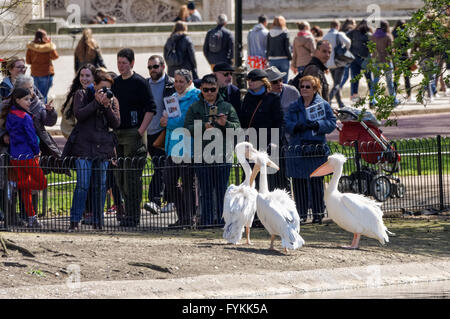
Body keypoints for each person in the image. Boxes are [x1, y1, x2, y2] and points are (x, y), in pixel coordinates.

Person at [62, 70, 120, 231]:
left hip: (103, 149)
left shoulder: (112, 100)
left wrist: (107, 105)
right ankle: (75, 220)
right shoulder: (82, 94)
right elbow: (79, 115)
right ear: (94, 86)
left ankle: (98, 220)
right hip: (84, 148)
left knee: (100, 185)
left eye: (108, 89)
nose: (105, 92)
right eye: (102, 88)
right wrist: (95, 102)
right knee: (83, 184)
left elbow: (116, 123)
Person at [184, 74, 241, 226]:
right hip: (202, 156)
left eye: (212, 89)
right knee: (206, 192)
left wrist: (225, 123)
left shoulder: (227, 107)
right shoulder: (194, 107)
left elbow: (237, 129)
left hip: (223, 155)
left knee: (223, 191)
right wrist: (203, 126)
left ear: (217, 89)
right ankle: (207, 222)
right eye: (205, 89)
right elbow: (186, 128)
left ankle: (224, 222)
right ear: (201, 90)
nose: (209, 92)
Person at [111, 48, 156, 227]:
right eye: (119, 63)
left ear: (132, 63)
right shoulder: (115, 83)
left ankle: (133, 215)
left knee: (131, 177)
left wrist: (140, 131)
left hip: (134, 132)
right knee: (120, 176)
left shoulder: (140, 82)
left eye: (124, 63)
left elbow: (151, 108)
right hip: (118, 133)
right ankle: (127, 212)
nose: (121, 66)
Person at [284, 75, 336, 224]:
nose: (304, 89)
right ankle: (301, 214)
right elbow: (287, 122)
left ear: (315, 89)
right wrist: (296, 126)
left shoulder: (323, 105)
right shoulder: (294, 106)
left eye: (308, 87)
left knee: (316, 182)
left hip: (315, 148)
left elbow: (332, 123)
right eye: (302, 86)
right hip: (298, 148)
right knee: (298, 183)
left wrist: (318, 125)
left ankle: (318, 213)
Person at [2, 87, 47, 228]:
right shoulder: (25, 117)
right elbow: (32, 137)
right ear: (17, 100)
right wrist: (36, 151)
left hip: (15, 156)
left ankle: (32, 217)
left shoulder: (10, 115)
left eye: (30, 99)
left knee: (26, 191)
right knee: (42, 183)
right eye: (26, 99)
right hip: (27, 156)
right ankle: (14, 185)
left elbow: (10, 132)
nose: (29, 102)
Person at [159, 69, 199, 227]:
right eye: (176, 81)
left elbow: (185, 121)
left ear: (189, 82)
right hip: (173, 147)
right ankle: (183, 217)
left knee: (189, 184)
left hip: (188, 147)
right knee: (169, 181)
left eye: (181, 81)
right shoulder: (172, 98)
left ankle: (190, 217)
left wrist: (167, 122)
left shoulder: (195, 96)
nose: (177, 84)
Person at [239, 69, 283, 191]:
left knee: (270, 182)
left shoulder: (272, 98)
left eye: (253, 80)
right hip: (252, 146)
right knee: (251, 181)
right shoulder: (247, 98)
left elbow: (279, 122)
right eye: (248, 80)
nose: (250, 82)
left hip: (268, 145)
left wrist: (274, 142)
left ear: (263, 82)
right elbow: (243, 122)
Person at [143, 55, 175, 215]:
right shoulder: (145, 84)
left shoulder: (171, 84)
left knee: (161, 166)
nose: (152, 70)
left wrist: (168, 118)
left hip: (164, 132)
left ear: (163, 67)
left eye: (155, 66)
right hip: (149, 132)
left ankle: (155, 200)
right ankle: (170, 199)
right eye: (149, 67)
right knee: (160, 167)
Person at [266, 66, 299, 190]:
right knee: (273, 174)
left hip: (290, 138)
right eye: (275, 82)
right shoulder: (264, 95)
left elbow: (300, 112)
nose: (279, 84)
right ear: (267, 84)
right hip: (272, 139)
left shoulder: (292, 91)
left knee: (289, 175)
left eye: (281, 80)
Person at [60, 64, 98, 139]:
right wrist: (76, 137)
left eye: (87, 76)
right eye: (82, 75)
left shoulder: (99, 94)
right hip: (80, 142)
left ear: (94, 77)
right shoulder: (76, 95)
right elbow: (66, 122)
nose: (84, 78)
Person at [322, 20, 351, 108]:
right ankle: (328, 99)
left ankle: (340, 103)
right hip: (339, 62)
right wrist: (345, 49)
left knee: (335, 83)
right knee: (337, 84)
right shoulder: (339, 34)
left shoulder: (326, 36)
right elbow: (348, 42)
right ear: (337, 26)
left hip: (329, 63)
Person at [369, 20, 399, 106]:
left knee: (375, 80)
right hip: (386, 61)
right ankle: (393, 100)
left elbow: (371, 49)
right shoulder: (388, 36)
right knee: (389, 82)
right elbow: (391, 51)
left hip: (375, 61)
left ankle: (372, 99)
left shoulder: (373, 36)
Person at [25, 29, 59, 103]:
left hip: (34, 74)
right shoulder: (48, 47)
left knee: (36, 95)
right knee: (43, 96)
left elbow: (28, 61)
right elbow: (55, 56)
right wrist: (50, 43)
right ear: (43, 36)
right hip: (46, 74)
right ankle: (43, 112)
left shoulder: (31, 47)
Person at [347, 19, 372, 102]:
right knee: (368, 78)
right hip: (365, 58)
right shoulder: (368, 34)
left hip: (354, 58)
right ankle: (372, 95)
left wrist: (349, 50)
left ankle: (354, 96)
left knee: (355, 78)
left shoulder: (352, 33)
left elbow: (346, 38)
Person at [266, 16, 292, 83]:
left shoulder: (269, 33)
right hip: (283, 59)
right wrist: (290, 58)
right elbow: (287, 48)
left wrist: (267, 58)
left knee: (273, 80)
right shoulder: (285, 32)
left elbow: (267, 47)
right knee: (284, 80)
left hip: (272, 59)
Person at [392, 20, 412, 102]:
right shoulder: (406, 34)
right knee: (407, 77)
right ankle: (409, 95)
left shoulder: (393, 33)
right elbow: (410, 44)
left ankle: (393, 95)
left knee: (396, 77)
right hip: (405, 57)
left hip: (396, 57)